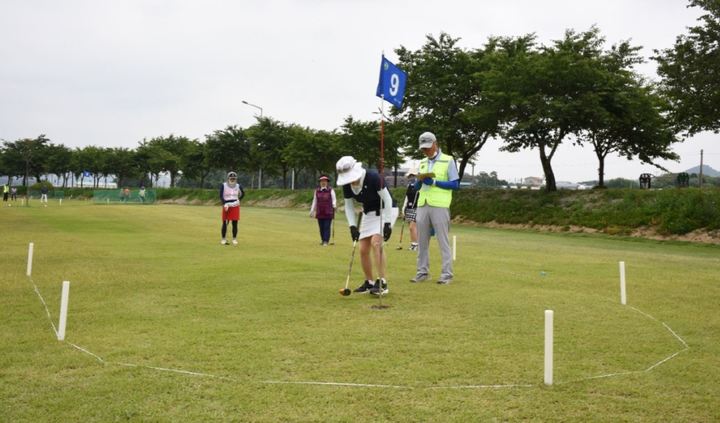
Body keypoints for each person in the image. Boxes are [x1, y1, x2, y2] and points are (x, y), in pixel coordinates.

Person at [336, 156, 398, 296]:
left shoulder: (373, 177)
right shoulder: (347, 185)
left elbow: (387, 200)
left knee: (376, 242)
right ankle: (369, 282)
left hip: (386, 210)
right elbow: (349, 206)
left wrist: (387, 223)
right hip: (369, 214)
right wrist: (352, 226)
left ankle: (382, 282)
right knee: (363, 248)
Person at [410, 132, 460, 285]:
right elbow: (419, 186)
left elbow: (455, 184)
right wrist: (418, 181)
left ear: (435, 143)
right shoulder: (423, 162)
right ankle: (422, 272)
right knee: (422, 241)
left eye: (427, 147)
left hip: (440, 205)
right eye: (423, 148)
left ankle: (446, 275)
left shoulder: (448, 160)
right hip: (423, 204)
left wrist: (434, 182)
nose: (425, 151)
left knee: (442, 241)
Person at [309, 175, 337, 246]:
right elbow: (314, 201)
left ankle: (326, 241)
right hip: (319, 211)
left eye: (325, 181)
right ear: (320, 183)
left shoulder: (331, 190)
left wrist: (334, 205)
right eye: (322, 181)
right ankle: (322, 240)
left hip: (328, 211)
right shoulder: (317, 191)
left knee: (326, 226)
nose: (323, 183)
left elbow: (334, 199)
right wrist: (312, 210)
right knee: (321, 227)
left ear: (327, 182)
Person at [219, 171, 245, 245]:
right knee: (224, 222)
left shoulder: (238, 186)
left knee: (235, 223)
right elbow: (221, 196)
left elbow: (243, 194)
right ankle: (223, 239)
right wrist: (224, 204)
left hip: (235, 205)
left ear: (236, 178)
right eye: (231, 178)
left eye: (234, 178)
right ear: (228, 178)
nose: (232, 179)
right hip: (226, 205)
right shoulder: (223, 185)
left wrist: (238, 200)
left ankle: (234, 239)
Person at [402, 168, 420, 251]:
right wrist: (403, 207)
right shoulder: (409, 185)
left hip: (417, 208)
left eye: (412, 175)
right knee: (411, 227)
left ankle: (415, 244)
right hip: (409, 208)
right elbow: (407, 197)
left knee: (412, 227)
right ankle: (414, 243)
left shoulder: (420, 185)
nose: (411, 177)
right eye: (410, 176)